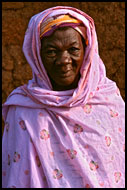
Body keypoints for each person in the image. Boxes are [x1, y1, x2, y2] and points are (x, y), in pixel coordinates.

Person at [2, 6, 125, 188]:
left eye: (73, 49)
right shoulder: (23, 109)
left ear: (87, 51)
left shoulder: (108, 102)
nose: (64, 60)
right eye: (52, 51)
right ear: (37, 55)